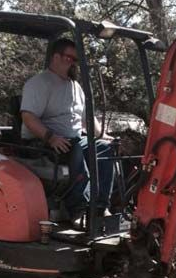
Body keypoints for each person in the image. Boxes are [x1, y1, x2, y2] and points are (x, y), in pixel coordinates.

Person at [20, 38, 114, 222]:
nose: (73, 63)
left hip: (74, 138)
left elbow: (87, 119)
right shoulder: (40, 83)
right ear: (56, 57)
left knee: (104, 149)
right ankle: (77, 210)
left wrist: (103, 136)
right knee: (74, 148)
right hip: (43, 142)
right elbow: (28, 117)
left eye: (76, 60)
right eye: (70, 58)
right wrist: (51, 137)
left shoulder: (75, 86)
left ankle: (101, 207)